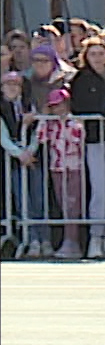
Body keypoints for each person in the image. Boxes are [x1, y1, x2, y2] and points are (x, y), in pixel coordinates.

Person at [67, 38, 105, 257]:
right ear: (86, 56)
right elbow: (79, 106)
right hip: (95, 139)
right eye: (93, 54)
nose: (98, 58)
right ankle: (96, 238)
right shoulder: (80, 79)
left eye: (101, 53)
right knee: (100, 189)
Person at [33, 88, 88, 258]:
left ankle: (72, 242)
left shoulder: (75, 122)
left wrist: (67, 124)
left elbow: (77, 139)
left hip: (74, 167)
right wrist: (43, 118)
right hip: (56, 167)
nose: (58, 109)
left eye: (61, 104)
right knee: (63, 203)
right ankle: (68, 241)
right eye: (54, 106)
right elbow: (40, 138)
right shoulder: (50, 124)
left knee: (73, 205)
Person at [1, 71, 50, 256]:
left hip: (34, 158)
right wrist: (19, 154)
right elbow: (3, 136)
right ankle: (32, 239)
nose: (12, 87)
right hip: (14, 161)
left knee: (40, 199)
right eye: (8, 84)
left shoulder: (29, 105)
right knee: (23, 201)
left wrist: (31, 150)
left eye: (16, 84)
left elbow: (38, 130)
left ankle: (45, 239)